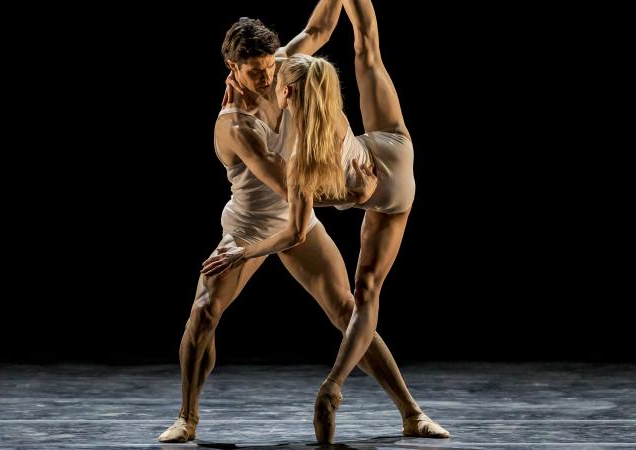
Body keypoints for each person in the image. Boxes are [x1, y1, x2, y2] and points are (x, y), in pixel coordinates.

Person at [162, 0, 448, 444]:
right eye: (253, 71)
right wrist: (355, 191)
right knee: (204, 312)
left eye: (267, 66)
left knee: (348, 310)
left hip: (300, 220)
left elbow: (321, 26)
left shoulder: (284, 68)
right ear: (231, 67)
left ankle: (411, 413)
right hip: (253, 225)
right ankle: (187, 418)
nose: (266, 76)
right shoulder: (235, 124)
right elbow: (288, 186)